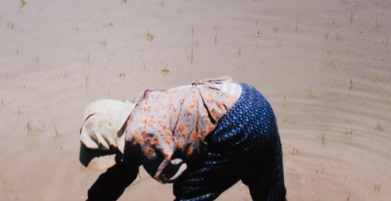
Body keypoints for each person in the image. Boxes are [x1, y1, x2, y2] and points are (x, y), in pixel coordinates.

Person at [79, 77, 287, 201]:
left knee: (188, 194)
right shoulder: (144, 106)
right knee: (270, 196)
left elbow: (176, 172)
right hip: (255, 103)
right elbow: (121, 174)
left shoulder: (139, 135)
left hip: (236, 124)